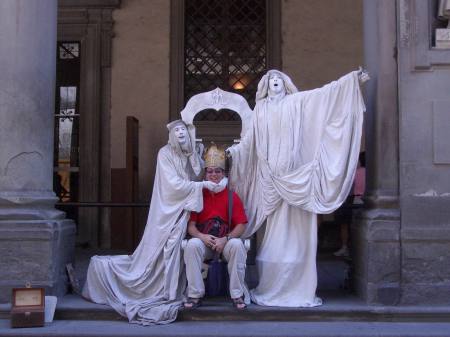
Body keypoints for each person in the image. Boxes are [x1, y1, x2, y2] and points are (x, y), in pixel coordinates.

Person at [227, 69, 368, 307]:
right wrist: (236, 151)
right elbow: (250, 139)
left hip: (294, 176)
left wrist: (350, 81)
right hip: (269, 177)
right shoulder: (260, 110)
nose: (275, 83)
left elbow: (324, 95)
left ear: (286, 85)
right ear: (265, 86)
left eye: (279, 80)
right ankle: (273, 283)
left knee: (296, 224)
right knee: (273, 232)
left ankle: (297, 284)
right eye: (271, 80)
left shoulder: (297, 102)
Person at [82, 120, 224, 325]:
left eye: (183, 129)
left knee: (179, 250)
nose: (180, 133)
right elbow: (173, 185)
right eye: (177, 130)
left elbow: (198, 172)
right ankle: (163, 288)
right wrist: (200, 184)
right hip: (168, 211)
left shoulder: (191, 153)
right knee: (160, 251)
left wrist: (197, 160)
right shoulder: (164, 154)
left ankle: (176, 287)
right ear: (172, 135)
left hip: (185, 213)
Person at [183, 144, 250, 310]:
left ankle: (237, 295)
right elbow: (191, 227)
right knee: (191, 245)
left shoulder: (231, 196)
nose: (213, 175)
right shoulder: (198, 194)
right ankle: (195, 294)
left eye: (217, 171)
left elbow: (241, 225)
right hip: (204, 241)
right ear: (205, 173)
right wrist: (202, 237)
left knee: (236, 245)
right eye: (210, 171)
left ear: (224, 173)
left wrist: (225, 239)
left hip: (224, 242)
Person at [334, 151, 366, 257]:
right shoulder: (373, 174)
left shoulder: (355, 173)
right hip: (366, 201)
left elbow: (349, 189)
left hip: (355, 200)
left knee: (347, 225)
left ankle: (345, 246)